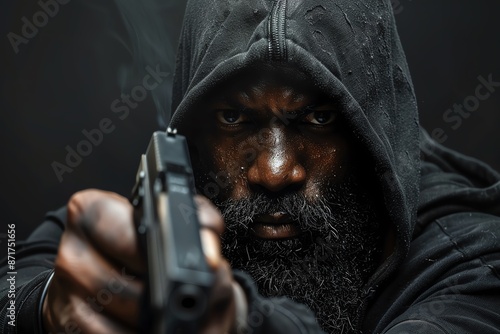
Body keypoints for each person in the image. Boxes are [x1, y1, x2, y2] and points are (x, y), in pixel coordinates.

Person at [2, 0, 500, 333]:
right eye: (235, 117)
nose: (275, 171)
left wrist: (240, 320)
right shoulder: (179, 193)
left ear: (371, 131)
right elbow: (10, 284)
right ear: (194, 130)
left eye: (319, 118)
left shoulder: (476, 268)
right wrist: (52, 303)